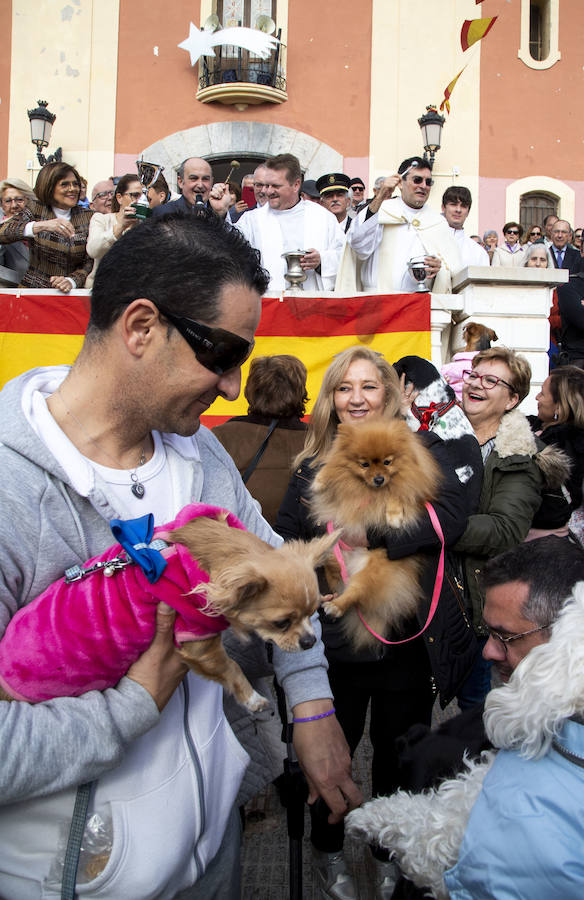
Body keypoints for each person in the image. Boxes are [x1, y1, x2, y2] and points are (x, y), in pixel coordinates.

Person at [0, 212, 360, 899]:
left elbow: (284, 565)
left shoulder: (201, 454)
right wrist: (134, 704)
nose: (232, 387)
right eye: (222, 354)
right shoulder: (9, 483)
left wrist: (311, 705)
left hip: (213, 855)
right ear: (140, 326)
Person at [276, 347, 478, 900]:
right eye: (345, 387)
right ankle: (328, 847)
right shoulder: (309, 466)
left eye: (369, 386)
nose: (357, 397)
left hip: (404, 641)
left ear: (388, 393)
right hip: (334, 642)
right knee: (329, 753)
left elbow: (451, 519)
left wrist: (377, 536)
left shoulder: (414, 451)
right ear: (332, 399)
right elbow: (288, 543)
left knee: (397, 752)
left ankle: (390, 848)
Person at [443, 538, 584, 899]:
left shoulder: (529, 823)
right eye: (487, 633)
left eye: (505, 637)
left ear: (569, 639)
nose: (489, 651)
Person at [453, 347, 569, 708]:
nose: (476, 385)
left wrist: (431, 529)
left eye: (491, 380)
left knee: (476, 707)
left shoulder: (519, 454)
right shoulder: (439, 438)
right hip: (431, 599)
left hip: (476, 602)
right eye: (473, 376)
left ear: (512, 398)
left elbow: (505, 529)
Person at [338, 156, 461, 293]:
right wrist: (380, 197)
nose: (423, 186)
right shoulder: (381, 211)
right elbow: (358, 245)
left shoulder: (437, 222)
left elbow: (455, 270)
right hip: (378, 301)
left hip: (418, 304)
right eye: (417, 180)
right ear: (400, 183)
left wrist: (439, 269)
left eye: (428, 182)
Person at [212, 354, 308, 528]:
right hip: (302, 550)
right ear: (300, 391)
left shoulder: (221, 436)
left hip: (243, 546)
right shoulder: (319, 440)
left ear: (251, 390)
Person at [235, 153, 345, 291]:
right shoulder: (251, 220)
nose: (268, 191)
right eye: (266, 185)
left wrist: (321, 261)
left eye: (275, 186)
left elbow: (345, 258)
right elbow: (229, 256)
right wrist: (220, 213)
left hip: (312, 304)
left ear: (296, 185)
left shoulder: (323, 217)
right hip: (269, 304)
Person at [0, 161, 93, 292]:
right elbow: (3, 232)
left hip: (72, 295)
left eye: (75, 184)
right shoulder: (35, 209)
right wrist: (39, 226)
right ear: (49, 186)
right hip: (34, 294)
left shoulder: (88, 216)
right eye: (64, 184)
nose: (73, 189)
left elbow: (92, 261)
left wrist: (72, 281)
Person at [527, 366, 584, 539]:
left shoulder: (564, 446)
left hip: (541, 543)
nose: (537, 397)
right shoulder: (537, 428)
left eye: (542, 394)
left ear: (559, 406)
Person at [85, 172, 141, 289]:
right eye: (135, 195)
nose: (140, 201)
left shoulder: (147, 224)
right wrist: (120, 226)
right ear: (119, 198)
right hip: (102, 291)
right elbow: (93, 250)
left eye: (145, 196)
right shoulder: (102, 219)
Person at [152, 156, 232, 221]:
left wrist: (220, 213)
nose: (200, 185)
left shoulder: (220, 213)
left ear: (212, 181)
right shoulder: (163, 213)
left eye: (205, 179)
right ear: (180, 182)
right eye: (194, 178)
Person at [440, 186, 489, 268]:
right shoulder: (428, 241)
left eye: (463, 206)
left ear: (468, 212)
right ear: (443, 208)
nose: (458, 210)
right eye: (453, 204)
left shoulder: (478, 252)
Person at [0, 177, 36, 282]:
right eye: (8, 201)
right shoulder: (2, 233)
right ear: (2, 205)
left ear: (29, 201)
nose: (14, 205)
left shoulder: (40, 228)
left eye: (19, 200)